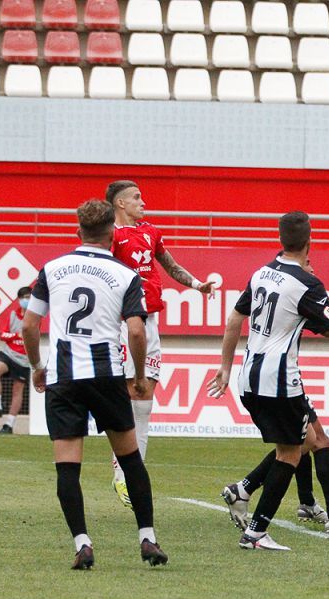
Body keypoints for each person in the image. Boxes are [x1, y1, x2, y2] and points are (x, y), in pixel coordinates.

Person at [208, 211, 329, 551]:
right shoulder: (306, 284)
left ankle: (244, 492)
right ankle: (255, 532)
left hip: (248, 377)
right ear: (309, 240)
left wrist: (224, 367)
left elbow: (233, 319)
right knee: (291, 453)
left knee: (309, 442)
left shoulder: (263, 274)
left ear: (281, 238)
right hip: (279, 379)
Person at [21, 199, 168, 570]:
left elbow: (28, 325)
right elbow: (136, 329)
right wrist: (136, 376)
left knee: (67, 468)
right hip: (105, 376)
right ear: (111, 234)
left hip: (64, 377)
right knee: (131, 460)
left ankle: (83, 543)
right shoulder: (124, 274)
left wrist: (38, 366)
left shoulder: (51, 268)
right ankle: (147, 538)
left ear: (78, 232)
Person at [222, 310, 329, 535]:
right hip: (281, 379)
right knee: (310, 443)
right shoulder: (301, 288)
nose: (314, 271)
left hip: (260, 375)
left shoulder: (269, 282)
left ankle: (303, 503)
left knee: (307, 440)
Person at [105, 180, 218, 508]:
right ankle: (123, 471)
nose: (143, 202)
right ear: (120, 204)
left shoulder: (151, 231)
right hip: (125, 320)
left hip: (151, 320)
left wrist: (197, 284)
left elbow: (168, 265)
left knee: (145, 393)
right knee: (130, 391)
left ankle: (133, 468)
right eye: (136, 198)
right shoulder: (110, 236)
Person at [0, 286, 32, 434]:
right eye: (24, 297)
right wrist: (16, 336)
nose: (27, 300)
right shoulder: (13, 315)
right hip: (9, 353)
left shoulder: (34, 316)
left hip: (24, 358)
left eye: (29, 297)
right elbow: (3, 335)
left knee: (18, 391)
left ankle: (9, 425)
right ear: (19, 299)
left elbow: (30, 336)